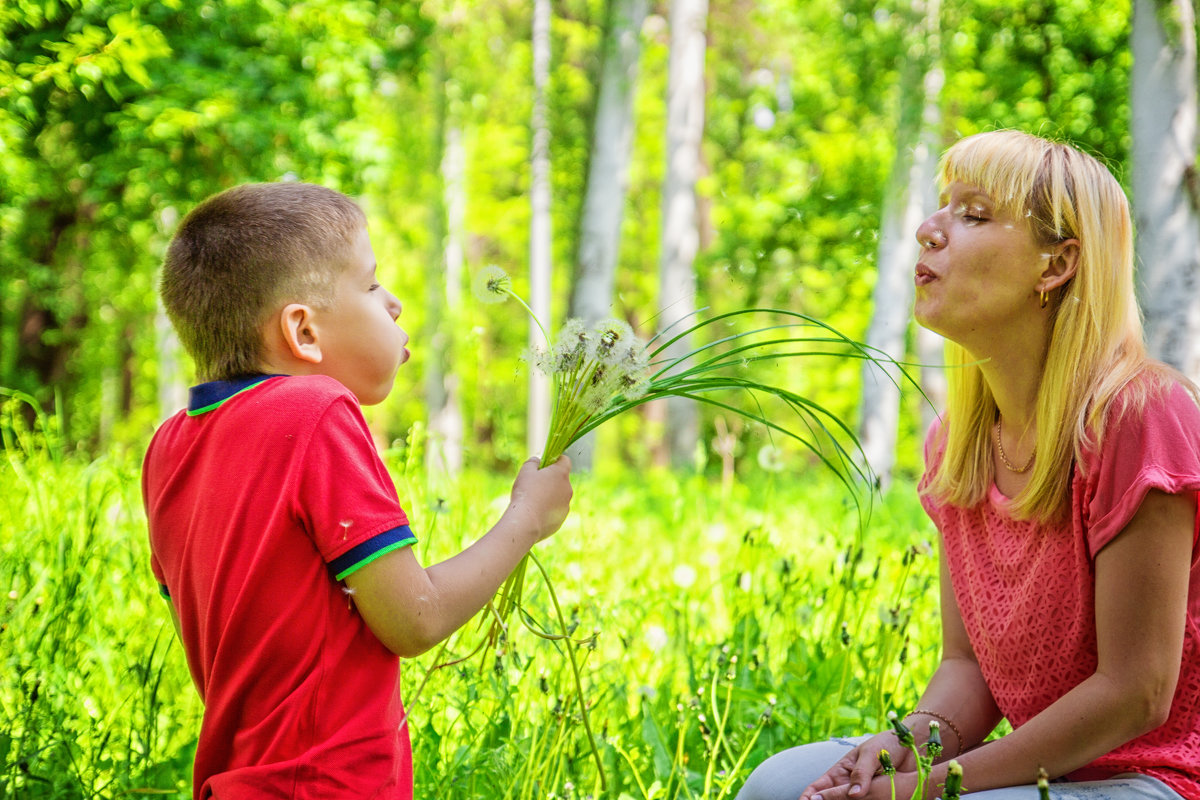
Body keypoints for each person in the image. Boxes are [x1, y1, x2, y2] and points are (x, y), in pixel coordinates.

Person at [738, 129, 1200, 800]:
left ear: (1055, 265)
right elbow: (968, 672)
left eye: (974, 215)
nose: (930, 230)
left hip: (1155, 776)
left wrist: (933, 787)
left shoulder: (1140, 415)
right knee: (775, 787)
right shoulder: (957, 443)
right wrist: (903, 746)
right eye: (942, 208)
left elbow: (1137, 695)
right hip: (1044, 769)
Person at [142, 182, 573, 799]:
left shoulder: (168, 447)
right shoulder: (315, 410)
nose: (393, 304)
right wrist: (526, 518)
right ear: (304, 332)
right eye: (371, 285)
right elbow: (415, 619)